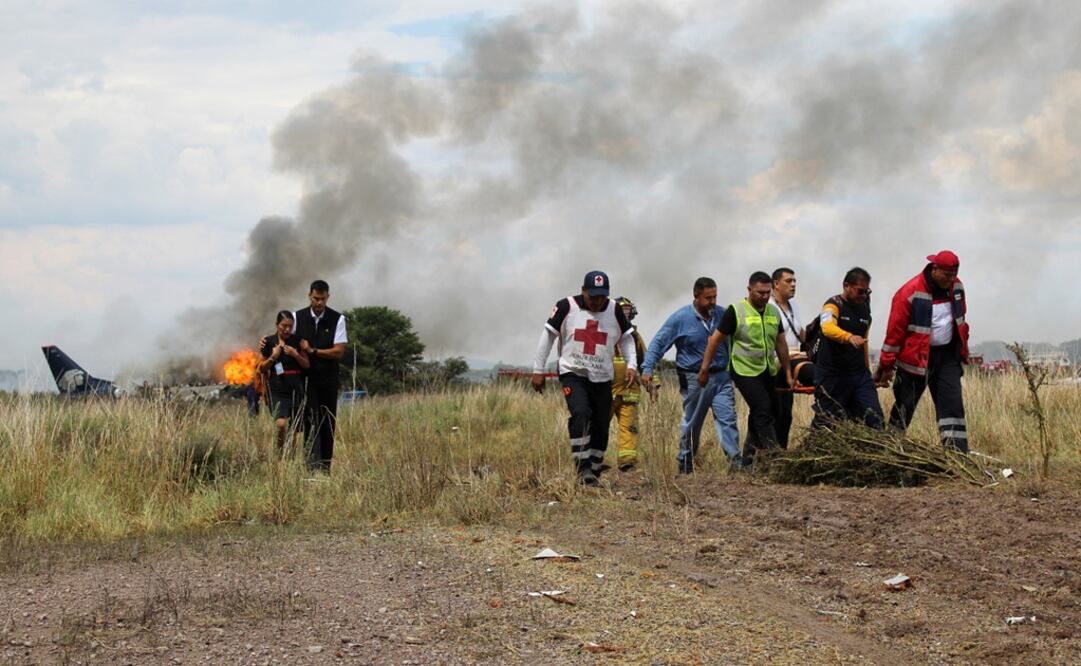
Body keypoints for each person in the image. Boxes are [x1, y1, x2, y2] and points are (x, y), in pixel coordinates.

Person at [533, 271, 637, 486]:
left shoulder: (614, 310)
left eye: (602, 297)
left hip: (602, 376)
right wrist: (538, 369)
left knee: (600, 423)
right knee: (581, 413)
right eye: (593, 297)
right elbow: (549, 335)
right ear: (583, 291)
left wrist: (632, 365)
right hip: (573, 373)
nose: (598, 302)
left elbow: (627, 338)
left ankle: (595, 467)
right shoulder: (566, 306)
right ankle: (583, 467)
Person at [641, 277, 739, 474]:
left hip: (721, 376)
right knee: (693, 422)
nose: (712, 302)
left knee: (728, 419)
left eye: (715, 297)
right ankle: (685, 463)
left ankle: (735, 463)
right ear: (696, 296)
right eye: (708, 298)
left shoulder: (723, 314)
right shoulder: (680, 318)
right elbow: (659, 343)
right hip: (694, 378)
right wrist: (648, 368)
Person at [874, 251, 970, 451]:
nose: (951, 280)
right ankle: (890, 450)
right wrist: (886, 364)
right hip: (915, 362)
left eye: (953, 276)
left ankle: (957, 455)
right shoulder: (909, 292)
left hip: (947, 358)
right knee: (904, 406)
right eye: (947, 276)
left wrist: (962, 350)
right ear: (934, 269)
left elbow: (961, 321)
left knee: (952, 406)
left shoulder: (957, 287)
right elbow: (894, 333)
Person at [698, 272, 793, 468]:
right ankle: (774, 458)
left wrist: (789, 373)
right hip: (744, 371)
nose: (764, 297)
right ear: (749, 290)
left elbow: (781, 344)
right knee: (762, 409)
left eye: (767, 293)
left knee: (774, 409)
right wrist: (704, 369)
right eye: (760, 293)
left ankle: (747, 461)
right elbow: (714, 341)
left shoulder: (773, 312)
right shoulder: (735, 311)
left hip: (767, 370)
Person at [810, 268, 884, 429]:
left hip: (859, 374)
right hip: (831, 375)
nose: (864, 296)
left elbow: (864, 343)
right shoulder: (832, 305)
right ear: (846, 286)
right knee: (827, 424)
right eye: (860, 291)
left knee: (875, 419)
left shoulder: (865, 310)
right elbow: (827, 327)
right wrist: (848, 337)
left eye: (867, 292)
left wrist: (868, 372)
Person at [294, 280, 348, 471]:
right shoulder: (296, 318)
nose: (319, 303)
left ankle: (325, 468)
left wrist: (313, 351)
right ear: (309, 295)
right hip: (306, 380)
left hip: (328, 379)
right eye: (316, 298)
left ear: (328, 297)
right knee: (309, 421)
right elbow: (285, 339)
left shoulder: (338, 319)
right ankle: (310, 467)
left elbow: (338, 351)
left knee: (327, 421)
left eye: (323, 299)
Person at [610, 297, 652, 472]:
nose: (625, 315)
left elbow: (645, 361)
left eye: (627, 311)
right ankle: (592, 459)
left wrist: (652, 385)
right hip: (607, 391)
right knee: (598, 425)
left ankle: (628, 461)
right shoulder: (605, 332)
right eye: (622, 311)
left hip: (629, 391)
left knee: (630, 427)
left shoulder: (634, 336)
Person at [259, 310, 311, 451]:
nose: (287, 329)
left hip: (295, 388)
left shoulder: (297, 341)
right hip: (277, 388)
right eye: (284, 325)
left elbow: (306, 364)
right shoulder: (268, 342)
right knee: (281, 423)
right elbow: (262, 368)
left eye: (290, 326)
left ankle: (290, 456)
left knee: (293, 428)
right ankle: (280, 452)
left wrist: (295, 355)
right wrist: (273, 357)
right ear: (277, 325)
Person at [770, 267, 806, 448]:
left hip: (794, 361)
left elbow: (800, 332)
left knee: (786, 414)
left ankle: (780, 454)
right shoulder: (768, 307)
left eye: (794, 281)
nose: (793, 285)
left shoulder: (795, 306)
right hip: (776, 364)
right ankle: (763, 458)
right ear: (776, 284)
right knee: (773, 412)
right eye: (788, 281)